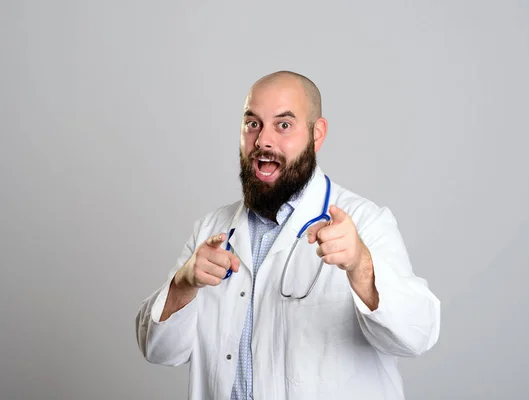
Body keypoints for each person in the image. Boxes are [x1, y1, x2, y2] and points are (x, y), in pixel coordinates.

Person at [135, 70, 440, 400]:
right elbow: (159, 351)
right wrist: (184, 284)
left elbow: (417, 336)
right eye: (253, 123)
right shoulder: (211, 230)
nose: (263, 141)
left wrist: (360, 266)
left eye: (283, 125)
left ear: (316, 134)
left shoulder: (365, 222)